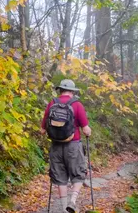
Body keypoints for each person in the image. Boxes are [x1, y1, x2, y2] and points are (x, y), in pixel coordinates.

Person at [41, 79, 92, 212]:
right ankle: (72, 201)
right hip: (73, 146)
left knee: (60, 177)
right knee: (78, 174)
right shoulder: (77, 105)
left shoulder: (52, 103)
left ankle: (64, 209)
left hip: (56, 146)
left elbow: (43, 128)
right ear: (73, 92)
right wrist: (88, 132)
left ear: (61, 90)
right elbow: (86, 129)